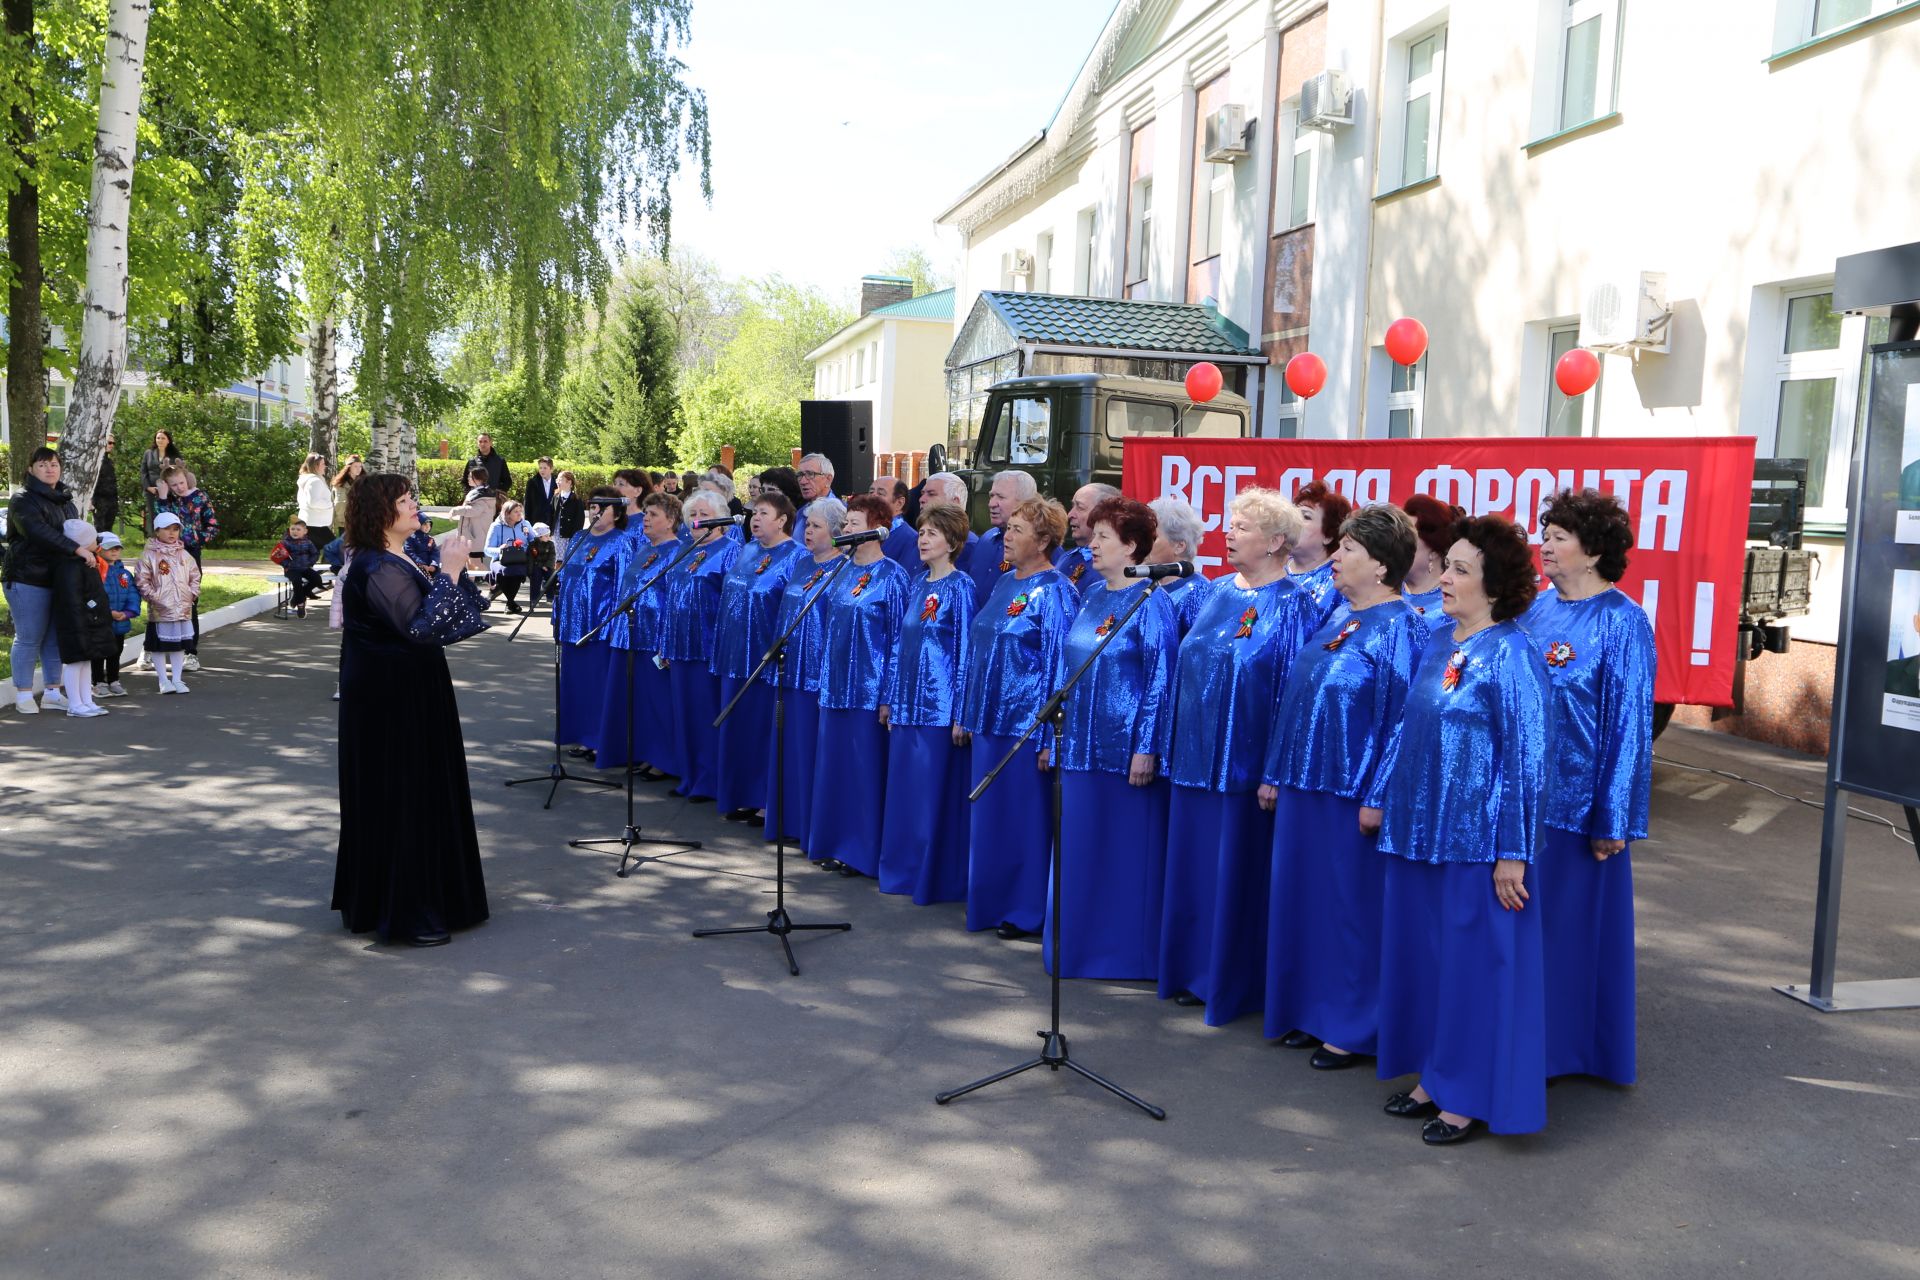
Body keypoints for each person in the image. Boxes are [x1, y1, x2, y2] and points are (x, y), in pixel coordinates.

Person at [1374, 515, 1551, 1144]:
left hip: (1477, 845)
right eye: (1445, 565)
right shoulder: (1438, 640)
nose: (1442, 577)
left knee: (1474, 970)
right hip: (1420, 834)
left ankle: (1468, 1096)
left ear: (1495, 586)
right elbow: (1404, 730)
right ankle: (1434, 1075)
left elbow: (1527, 762)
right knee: (1431, 963)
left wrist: (1513, 852)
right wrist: (1382, 800)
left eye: (1459, 570)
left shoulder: (1515, 654)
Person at [1259, 505, 1424, 1069]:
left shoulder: (1403, 627)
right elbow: (1295, 697)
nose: (1334, 557)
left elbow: (1402, 721)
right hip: (1306, 786)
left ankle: (1353, 1025)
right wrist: (1277, 771)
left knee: (1350, 912)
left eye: (1348, 550)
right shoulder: (1341, 614)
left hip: (1351, 796)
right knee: (1306, 905)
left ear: (1380, 566)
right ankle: (1310, 1009)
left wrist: (1378, 795)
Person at [1159, 488, 1313, 1026]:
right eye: (1230, 524)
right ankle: (1193, 972)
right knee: (1195, 871)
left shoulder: (1295, 604)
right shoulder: (1216, 591)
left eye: (1242, 527)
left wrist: (1274, 770)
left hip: (1245, 768)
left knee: (1233, 875)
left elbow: (1292, 695)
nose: (1228, 533)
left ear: (1276, 543)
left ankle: (1230, 982)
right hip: (1193, 758)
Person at [1520, 488, 1654, 1087]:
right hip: (1522, 803)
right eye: (1544, 534)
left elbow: (1630, 727)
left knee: (1568, 940)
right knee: (1525, 939)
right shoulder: (1533, 609)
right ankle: (1524, 1042)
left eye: (1558, 537)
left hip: (1578, 812)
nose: (1544, 546)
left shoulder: (1624, 621)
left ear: (1595, 551)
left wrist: (1615, 816)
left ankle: (1564, 1053)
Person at [331, 473, 490, 947]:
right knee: (403, 792)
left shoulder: (403, 554)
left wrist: (449, 570)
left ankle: (436, 897)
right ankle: (404, 911)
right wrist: (450, 572)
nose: (414, 506)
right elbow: (420, 627)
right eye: (405, 500)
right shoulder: (375, 566)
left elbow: (459, 617)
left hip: (415, 687)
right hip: (388, 698)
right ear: (382, 512)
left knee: (425, 788)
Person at [1048, 496, 1178, 979]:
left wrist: (1146, 747)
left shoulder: (1151, 601)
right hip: (1079, 744)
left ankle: (1123, 955)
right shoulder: (1092, 595)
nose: (1093, 544)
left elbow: (1161, 679)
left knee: (1122, 854)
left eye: (1104, 537)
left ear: (1131, 547)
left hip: (1123, 754)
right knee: (1080, 850)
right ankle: (1075, 948)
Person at [958, 496, 1076, 938]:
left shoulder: (1057, 591)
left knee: (1023, 822)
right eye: (1007, 530)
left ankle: (1024, 910)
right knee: (991, 820)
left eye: (1017, 531)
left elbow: (1057, 668)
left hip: (1025, 727)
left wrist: (1049, 736)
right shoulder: (1006, 582)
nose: (1006, 537)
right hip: (989, 720)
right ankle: (989, 902)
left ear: (1044, 540)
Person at [877, 504, 977, 904]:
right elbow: (899, 645)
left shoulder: (962, 586)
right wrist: (888, 696)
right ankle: (901, 870)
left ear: (952, 542)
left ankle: (929, 877)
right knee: (903, 792)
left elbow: (967, 651)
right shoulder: (918, 583)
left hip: (939, 708)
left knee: (929, 796)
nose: (922, 539)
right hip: (906, 704)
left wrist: (961, 712)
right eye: (921, 532)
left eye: (932, 533)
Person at [807, 494, 909, 876]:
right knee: (835, 769)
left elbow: (899, 640)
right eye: (845, 523)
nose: (846, 530)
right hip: (835, 687)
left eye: (853, 523)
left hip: (870, 691)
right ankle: (833, 842)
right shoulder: (841, 571)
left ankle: (862, 852)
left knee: (864, 773)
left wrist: (888, 696)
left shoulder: (894, 576)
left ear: (877, 528)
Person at [711, 491, 804, 822]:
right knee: (739, 731)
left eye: (764, 513)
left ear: (782, 520)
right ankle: (740, 795)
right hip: (735, 654)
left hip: (765, 659)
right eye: (754, 513)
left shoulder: (796, 556)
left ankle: (766, 800)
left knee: (764, 733)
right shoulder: (748, 549)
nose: (755, 518)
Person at [764, 497, 847, 848]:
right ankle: (787, 821)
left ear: (838, 532)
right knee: (788, 750)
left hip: (816, 676)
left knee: (811, 752)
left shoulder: (843, 570)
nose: (807, 532)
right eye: (807, 525)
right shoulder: (802, 564)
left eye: (816, 526)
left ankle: (812, 827)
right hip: (790, 670)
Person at [661, 489, 742, 801]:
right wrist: (666, 644)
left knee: (707, 716)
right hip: (680, 647)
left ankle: (710, 781)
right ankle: (689, 775)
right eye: (693, 515)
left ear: (721, 518)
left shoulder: (731, 551)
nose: (697, 520)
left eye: (704, 515)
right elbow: (671, 599)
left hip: (709, 648)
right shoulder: (685, 549)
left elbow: (732, 604)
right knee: (684, 716)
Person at [597, 492, 685, 776]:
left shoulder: (678, 552)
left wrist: (667, 641)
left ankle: (662, 760)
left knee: (656, 702)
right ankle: (639, 752)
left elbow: (675, 601)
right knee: (634, 701)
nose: (645, 518)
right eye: (645, 513)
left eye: (654, 514)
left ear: (671, 521)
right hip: (628, 635)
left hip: (654, 637)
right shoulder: (645, 548)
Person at [5, 447, 85, 714]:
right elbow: (38, 532)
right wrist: (76, 549)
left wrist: (90, 544)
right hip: (27, 577)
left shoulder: (66, 500)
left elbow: (76, 532)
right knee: (29, 637)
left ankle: (52, 691)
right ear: (30, 469)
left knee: (54, 638)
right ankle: (24, 694)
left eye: (54, 464)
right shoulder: (22, 500)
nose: (50, 469)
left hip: (59, 578)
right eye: (42, 465)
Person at [551, 490, 627, 760]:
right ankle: (581, 735)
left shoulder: (622, 541)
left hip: (599, 627)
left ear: (617, 513)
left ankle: (599, 739)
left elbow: (622, 589)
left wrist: (612, 626)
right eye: (593, 507)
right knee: (576, 684)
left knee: (598, 686)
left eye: (602, 508)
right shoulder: (577, 538)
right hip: (572, 624)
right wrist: (558, 616)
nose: (595, 512)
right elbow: (564, 581)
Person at [50, 519, 116, 717]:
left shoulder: (85, 563)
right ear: (84, 543)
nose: (98, 541)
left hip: (88, 621)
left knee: (87, 660)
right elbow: (72, 599)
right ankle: (75, 704)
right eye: (94, 538)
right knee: (75, 662)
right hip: (76, 622)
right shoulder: (70, 567)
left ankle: (87, 700)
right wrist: (85, 617)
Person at [155, 463, 219, 664]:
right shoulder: (168, 500)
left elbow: (213, 526)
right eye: (174, 485)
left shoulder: (199, 497)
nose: (179, 488)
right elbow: (161, 521)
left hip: (190, 554)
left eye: (181, 482)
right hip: (166, 554)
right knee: (164, 599)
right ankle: (158, 647)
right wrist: (163, 496)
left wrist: (193, 539)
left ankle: (190, 652)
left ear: (187, 478)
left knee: (189, 601)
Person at [135, 512, 201, 694]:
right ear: (157, 531)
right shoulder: (149, 555)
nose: (171, 533)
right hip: (160, 610)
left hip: (182, 608)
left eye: (175, 529)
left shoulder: (184, 555)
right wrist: (155, 597)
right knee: (159, 646)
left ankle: (177, 679)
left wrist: (192, 593)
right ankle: (163, 680)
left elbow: (195, 576)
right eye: (166, 529)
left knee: (179, 645)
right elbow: (142, 580)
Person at [960, 470, 1036, 607]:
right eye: (991, 496)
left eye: (1000, 497)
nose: (991, 503)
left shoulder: (1040, 547)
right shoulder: (985, 539)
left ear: (1025, 502)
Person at [1287, 480, 1352, 632]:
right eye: (1292, 515)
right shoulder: (1273, 571)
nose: (1293, 522)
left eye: (1306, 516)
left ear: (1328, 535)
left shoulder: (1340, 581)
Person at [1147, 496, 1213, 634]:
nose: (1143, 543)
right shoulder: (1143, 583)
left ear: (1179, 546)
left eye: (1153, 537)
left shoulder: (1198, 591)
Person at [1399, 493, 1459, 636]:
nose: (1395, 546)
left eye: (1406, 538)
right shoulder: (1383, 593)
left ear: (1433, 550)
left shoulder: (1452, 606)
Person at [94, 532, 139, 697]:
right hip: (100, 622)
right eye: (109, 548)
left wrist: (127, 613)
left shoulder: (123, 574)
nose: (114, 551)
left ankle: (113, 680)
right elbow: (93, 596)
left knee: (115, 651)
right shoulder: (95, 571)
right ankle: (98, 681)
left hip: (119, 622)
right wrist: (107, 613)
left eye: (117, 548)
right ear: (98, 549)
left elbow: (132, 593)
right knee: (98, 653)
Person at [1057, 483, 1120, 595]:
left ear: (1102, 514)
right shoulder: (1066, 557)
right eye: (1072, 506)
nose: (1070, 514)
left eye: (1080, 507)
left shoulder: (1110, 566)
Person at [482, 498, 534, 612]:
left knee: (518, 571)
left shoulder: (525, 524)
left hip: (520, 559)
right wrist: (499, 549)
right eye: (516, 511)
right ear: (507, 513)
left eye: (520, 511)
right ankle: (511, 603)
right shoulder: (496, 526)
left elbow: (534, 541)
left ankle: (509, 602)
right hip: (500, 560)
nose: (519, 514)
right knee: (505, 571)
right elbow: (487, 550)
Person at [278, 519, 325, 617]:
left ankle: (301, 594)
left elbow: (315, 553)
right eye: (292, 529)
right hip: (291, 569)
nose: (295, 531)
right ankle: (300, 605)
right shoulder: (285, 542)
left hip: (305, 567)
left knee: (317, 579)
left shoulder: (308, 542)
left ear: (305, 531)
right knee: (297, 581)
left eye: (298, 529)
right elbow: (279, 556)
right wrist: (287, 564)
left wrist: (310, 562)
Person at [870, 476, 919, 567]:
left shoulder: (912, 540)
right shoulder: (866, 532)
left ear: (899, 503)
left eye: (880, 493)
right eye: (871, 492)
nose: (873, 496)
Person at [140, 429, 181, 531]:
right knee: (154, 517)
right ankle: (155, 541)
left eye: (163, 438)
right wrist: (148, 487)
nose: (160, 440)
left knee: (168, 517)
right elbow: (143, 472)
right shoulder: (148, 453)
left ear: (168, 440)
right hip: (152, 492)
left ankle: (170, 543)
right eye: (158, 438)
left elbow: (179, 472)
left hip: (170, 492)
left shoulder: (175, 455)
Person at [792, 454, 838, 543]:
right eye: (800, 475)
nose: (802, 481)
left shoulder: (840, 513)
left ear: (828, 479)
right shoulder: (800, 513)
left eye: (810, 474)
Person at [452, 465, 498, 549]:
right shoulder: (481, 493)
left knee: (474, 561)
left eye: (470, 476)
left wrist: (456, 510)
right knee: (470, 560)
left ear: (478, 479)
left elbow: (475, 511)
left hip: (475, 538)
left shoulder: (481, 495)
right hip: (474, 536)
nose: (468, 478)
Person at [297, 452, 336, 545]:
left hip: (312, 522)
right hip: (316, 524)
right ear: (316, 466)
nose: (325, 466)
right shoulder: (314, 481)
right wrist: (330, 504)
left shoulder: (309, 479)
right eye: (322, 464)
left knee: (313, 551)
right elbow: (314, 502)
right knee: (335, 548)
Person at [552, 469, 585, 568]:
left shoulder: (576, 499)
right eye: (557, 479)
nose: (558, 481)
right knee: (556, 559)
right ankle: (556, 579)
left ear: (569, 482)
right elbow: (551, 514)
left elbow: (579, 520)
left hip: (568, 534)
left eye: (560, 479)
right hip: (557, 533)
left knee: (567, 559)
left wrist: (574, 536)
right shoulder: (556, 496)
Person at [94, 435, 121, 535]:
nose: (112, 445)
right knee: (99, 530)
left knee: (108, 530)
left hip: (112, 500)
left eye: (113, 443)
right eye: (109, 443)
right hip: (100, 500)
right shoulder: (95, 461)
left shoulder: (109, 461)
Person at [524, 456, 560, 529]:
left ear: (551, 469)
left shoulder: (558, 482)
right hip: (536, 523)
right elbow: (527, 504)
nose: (542, 470)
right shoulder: (532, 483)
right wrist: (527, 524)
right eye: (540, 468)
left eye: (545, 468)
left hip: (553, 523)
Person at [526, 522, 556, 606]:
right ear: (540, 536)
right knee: (536, 579)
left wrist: (547, 565)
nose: (548, 537)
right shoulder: (533, 545)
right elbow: (532, 558)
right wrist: (541, 566)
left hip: (547, 566)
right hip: (537, 566)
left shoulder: (550, 544)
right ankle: (534, 599)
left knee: (551, 578)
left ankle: (550, 597)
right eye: (546, 536)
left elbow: (552, 556)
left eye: (549, 535)